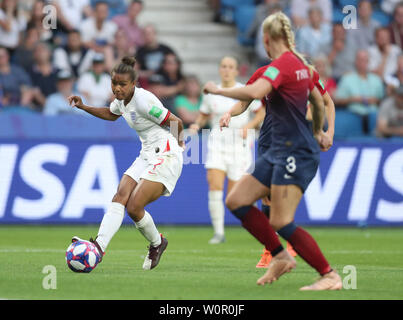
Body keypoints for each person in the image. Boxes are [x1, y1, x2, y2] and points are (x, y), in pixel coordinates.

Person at [203, 12, 341, 290]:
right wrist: (320, 131)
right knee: (237, 200)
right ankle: (279, 255)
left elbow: (256, 92)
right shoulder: (302, 66)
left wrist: (218, 90)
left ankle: (329, 275)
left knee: (279, 219)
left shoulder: (281, 67)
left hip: (295, 152)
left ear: (266, 39)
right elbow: (317, 98)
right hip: (276, 149)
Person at [68, 56, 185, 270]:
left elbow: (176, 121)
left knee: (134, 207)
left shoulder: (143, 101)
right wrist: (84, 107)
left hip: (166, 154)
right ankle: (99, 247)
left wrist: (179, 146)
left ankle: (157, 243)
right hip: (147, 153)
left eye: (122, 84)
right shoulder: (121, 101)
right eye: (114, 83)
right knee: (120, 194)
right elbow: (112, 114)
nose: (117, 88)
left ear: (133, 84)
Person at [189, 56, 265, 245]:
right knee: (214, 185)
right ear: (219, 69)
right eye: (223, 66)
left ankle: (257, 230)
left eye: (231, 67)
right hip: (217, 142)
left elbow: (261, 112)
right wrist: (196, 126)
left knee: (238, 195)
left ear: (237, 71)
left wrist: (250, 125)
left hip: (239, 144)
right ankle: (219, 233)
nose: (227, 70)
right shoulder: (211, 93)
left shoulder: (243, 90)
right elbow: (203, 116)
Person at [335, 50, 384, 134]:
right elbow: (336, 100)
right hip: (352, 114)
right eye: (360, 60)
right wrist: (352, 99)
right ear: (355, 61)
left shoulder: (376, 79)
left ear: (368, 62)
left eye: (365, 60)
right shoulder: (347, 79)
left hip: (373, 115)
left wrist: (375, 100)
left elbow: (382, 101)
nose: (363, 63)